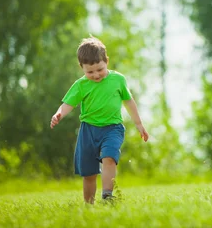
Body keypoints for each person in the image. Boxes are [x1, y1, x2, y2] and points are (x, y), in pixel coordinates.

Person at [50, 37, 149, 203]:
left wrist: (139, 124)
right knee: (89, 173)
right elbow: (68, 104)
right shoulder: (81, 85)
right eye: (90, 72)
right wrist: (58, 114)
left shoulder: (118, 80)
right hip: (88, 131)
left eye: (99, 69)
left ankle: (107, 195)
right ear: (81, 67)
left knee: (109, 158)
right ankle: (89, 205)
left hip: (113, 128)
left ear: (107, 61)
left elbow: (129, 101)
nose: (95, 75)